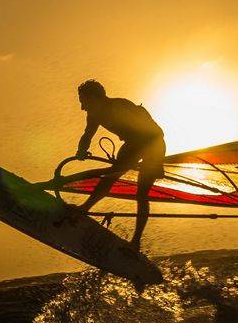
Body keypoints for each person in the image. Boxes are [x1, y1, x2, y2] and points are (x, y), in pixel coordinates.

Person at [42, 80, 166, 250]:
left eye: (83, 102)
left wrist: (153, 163)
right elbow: (87, 135)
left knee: (141, 192)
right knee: (109, 177)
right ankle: (85, 208)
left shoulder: (119, 107)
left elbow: (155, 134)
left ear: (94, 99)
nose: (82, 108)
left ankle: (136, 241)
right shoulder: (94, 115)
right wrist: (81, 150)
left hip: (154, 144)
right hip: (132, 145)